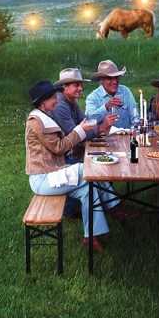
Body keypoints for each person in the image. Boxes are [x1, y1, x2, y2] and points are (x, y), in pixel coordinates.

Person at [26, 80, 118, 251]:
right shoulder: (36, 121)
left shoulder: (45, 116)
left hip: (54, 173)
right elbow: (59, 147)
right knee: (92, 169)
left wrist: (82, 129)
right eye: (54, 98)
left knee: (88, 190)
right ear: (43, 101)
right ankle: (115, 206)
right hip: (43, 179)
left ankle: (91, 237)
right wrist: (80, 131)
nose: (57, 100)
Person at [52, 66, 114, 162]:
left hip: (74, 150)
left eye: (81, 85)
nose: (80, 88)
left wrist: (104, 118)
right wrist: (101, 128)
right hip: (63, 157)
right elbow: (76, 135)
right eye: (76, 85)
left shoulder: (70, 100)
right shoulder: (60, 105)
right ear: (65, 87)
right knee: (100, 164)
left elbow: (85, 120)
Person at [84, 60, 140, 132]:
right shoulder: (92, 97)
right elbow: (89, 120)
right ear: (101, 80)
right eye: (110, 78)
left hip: (124, 138)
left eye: (117, 77)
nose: (115, 81)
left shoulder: (125, 91)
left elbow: (135, 118)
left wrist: (135, 133)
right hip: (102, 140)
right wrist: (106, 106)